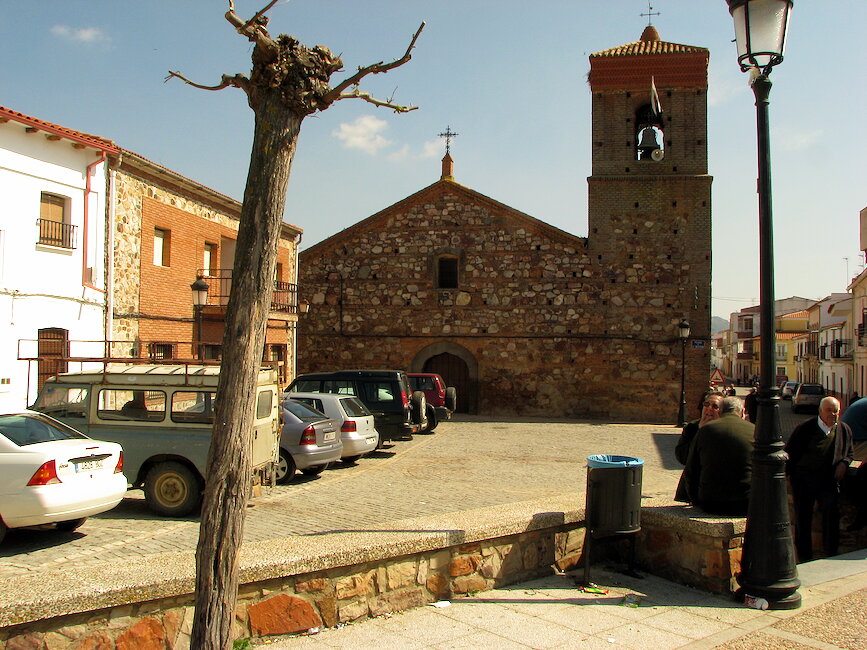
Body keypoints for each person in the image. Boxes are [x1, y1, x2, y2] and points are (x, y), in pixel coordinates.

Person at [785, 396, 854, 561]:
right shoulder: (805, 429)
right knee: (803, 519)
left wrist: (844, 463)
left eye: (836, 411)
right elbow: (791, 454)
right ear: (820, 411)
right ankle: (804, 557)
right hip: (804, 480)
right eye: (829, 410)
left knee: (831, 514)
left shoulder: (844, 430)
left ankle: (830, 553)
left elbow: (849, 453)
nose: (833, 414)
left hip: (828, 480)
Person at [683, 396, 754, 516]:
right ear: (742, 411)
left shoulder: (705, 430)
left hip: (711, 502)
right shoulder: (754, 430)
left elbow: (691, 470)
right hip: (745, 502)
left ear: (720, 412)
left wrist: (695, 499)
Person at [674, 390, 724, 502]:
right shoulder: (691, 428)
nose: (709, 408)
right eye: (706, 404)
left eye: (715, 406)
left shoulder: (726, 430)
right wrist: (700, 432)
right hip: (692, 485)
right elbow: (682, 457)